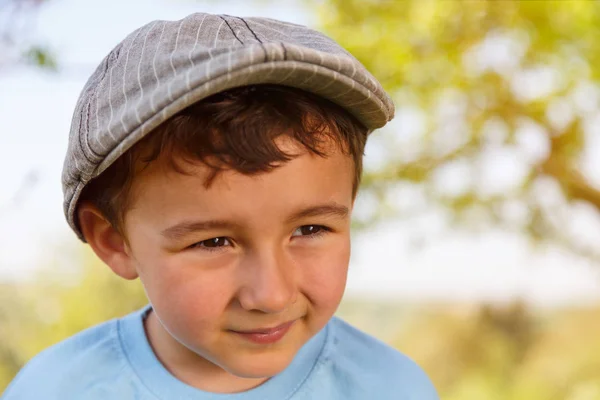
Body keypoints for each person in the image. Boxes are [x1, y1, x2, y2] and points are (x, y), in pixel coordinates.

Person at [3, 12, 438, 400]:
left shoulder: (392, 388)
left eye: (310, 230)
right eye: (214, 241)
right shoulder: (53, 390)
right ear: (114, 240)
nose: (271, 295)